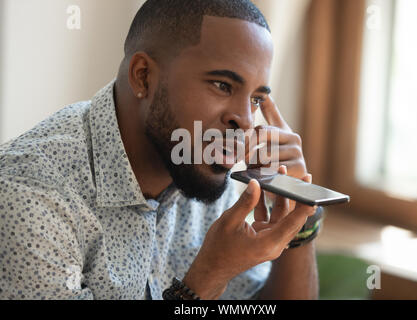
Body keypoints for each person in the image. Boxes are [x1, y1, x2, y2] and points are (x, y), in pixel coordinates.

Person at [0, 0, 322, 300]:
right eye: (223, 85)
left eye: (255, 99)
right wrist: (208, 278)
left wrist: (299, 214)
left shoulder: (203, 165)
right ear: (144, 76)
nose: (246, 121)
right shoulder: (30, 196)